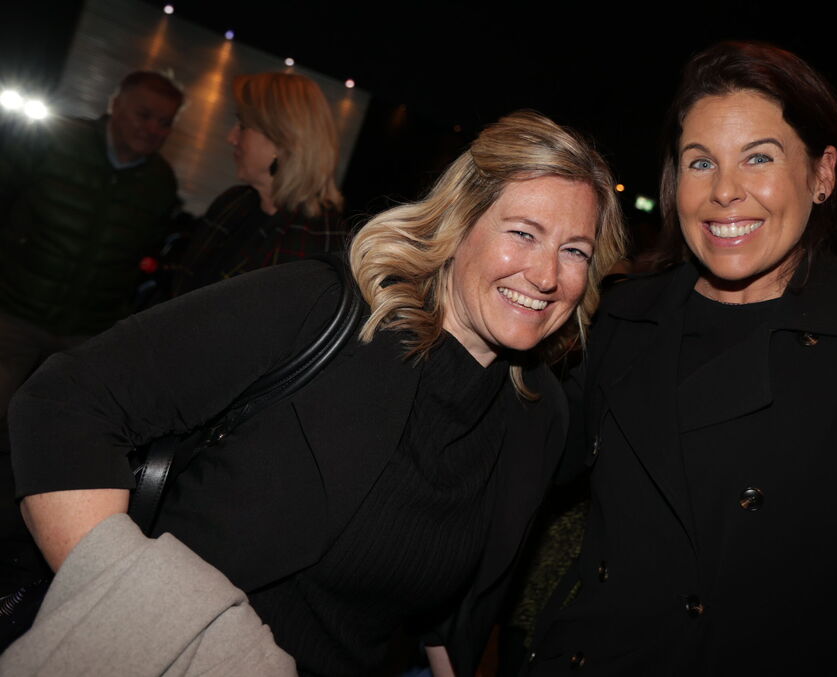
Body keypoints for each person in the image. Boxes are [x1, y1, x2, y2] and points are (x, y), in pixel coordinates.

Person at [7, 110, 627, 676]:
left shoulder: (536, 416)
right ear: (459, 223)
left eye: (574, 250)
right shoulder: (320, 309)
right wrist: (143, 618)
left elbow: (460, 609)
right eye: (523, 233)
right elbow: (65, 402)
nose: (547, 275)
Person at [525, 42, 837, 676]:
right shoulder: (622, 315)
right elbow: (524, 464)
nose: (725, 191)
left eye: (759, 157)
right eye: (701, 162)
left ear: (822, 174)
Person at [0, 70, 182, 422]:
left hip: (85, 334)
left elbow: (147, 254)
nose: (153, 129)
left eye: (165, 122)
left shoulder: (161, 182)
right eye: (144, 115)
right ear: (115, 105)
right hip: (14, 313)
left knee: (49, 432)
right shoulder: (55, 139)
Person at [169, 72, 347, 297]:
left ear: (281, 140)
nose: (231, 138)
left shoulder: (316, 241)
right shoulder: (233, 201)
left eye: (242, 126)